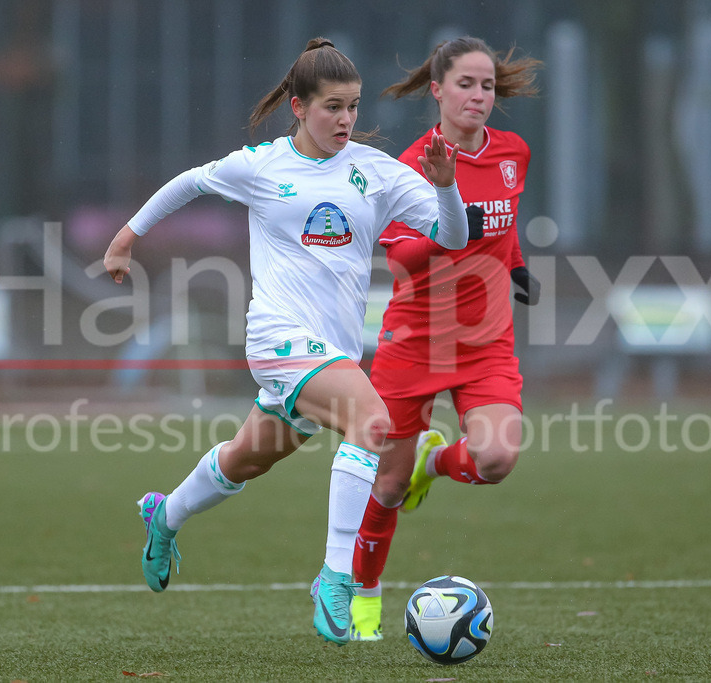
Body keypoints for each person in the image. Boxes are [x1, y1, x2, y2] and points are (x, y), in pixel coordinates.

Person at [102, 38, 470, 646]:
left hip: (332, 353)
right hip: (276, 337)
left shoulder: (376, 173)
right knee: (372, 423)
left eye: (352, 106)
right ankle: (335, 576)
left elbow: (451, 236)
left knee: (247, 458)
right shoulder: (262, 165)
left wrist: (448, 186)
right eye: (332, 106)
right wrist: (125, 237)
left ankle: (163, 515)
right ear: (298, 107)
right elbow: (191, 182)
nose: (345, 119)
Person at [349, 36, 542, 641]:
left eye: (487, 86)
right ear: (437, 91)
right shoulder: (409, 166)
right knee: (385, 485)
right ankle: (363, 601)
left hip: (486, 342)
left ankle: (437, 459)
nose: (478, 96)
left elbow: (503, 223)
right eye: (466, 84)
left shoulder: (514, 152)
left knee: (497, 458)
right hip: (415, 341)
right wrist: (456, 227)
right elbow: (402, 257)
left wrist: (514, 265)